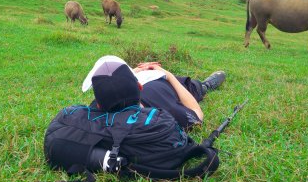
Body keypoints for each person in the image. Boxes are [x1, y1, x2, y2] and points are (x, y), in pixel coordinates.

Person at [83, 55, 226, 130]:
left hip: (150, 78)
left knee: (193, 86)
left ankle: (206, 84)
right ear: (139, 87)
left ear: (99, 104)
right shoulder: (165, 113)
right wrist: (168, 75)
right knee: (193, 88)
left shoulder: (95, 110)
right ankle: (204, 85)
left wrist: (137, 71)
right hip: (159, 80)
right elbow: (197, 115)